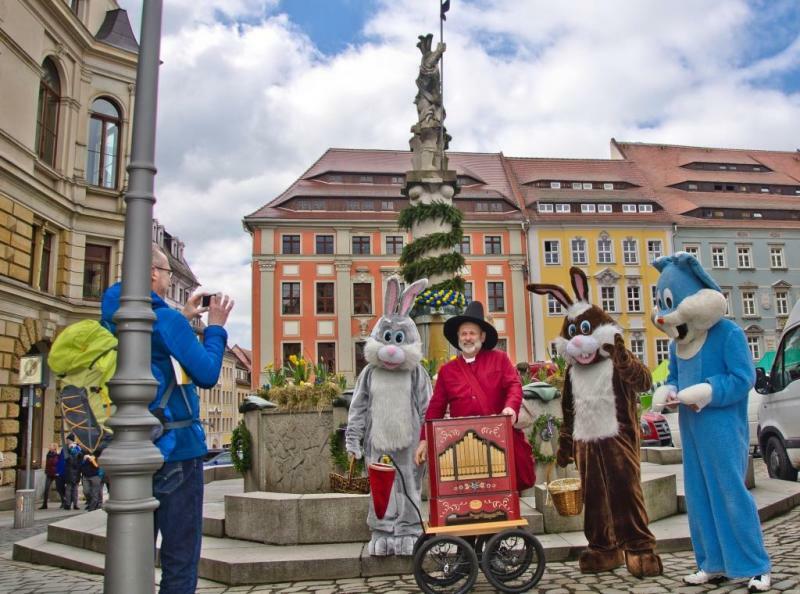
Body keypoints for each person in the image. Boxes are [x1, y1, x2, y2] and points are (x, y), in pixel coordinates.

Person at [101, 243, 232, 594]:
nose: (167, 280)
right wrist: (215, 328)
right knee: (180, 556)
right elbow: (206, 373)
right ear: (153, 273)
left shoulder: (115, 311)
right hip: (175, 448)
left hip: (130, 446)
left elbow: (152, 349)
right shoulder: (166, 320)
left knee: (132, 551)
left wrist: (184, 316)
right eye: (167, 274)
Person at [414, 301, 535, 491]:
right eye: (464, 333)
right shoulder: (447, 371)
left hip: (498, 443)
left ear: (482, 336)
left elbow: (514, 386)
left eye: (472, 333)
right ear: (458, 338)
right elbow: (435, 407)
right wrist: (424, 439)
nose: (468, 338)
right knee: (468, 493)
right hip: (465, 447)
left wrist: (510, 407)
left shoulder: (500, 359)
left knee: (501, 492)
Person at [62, 436, 82, 510]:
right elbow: (66, 459)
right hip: (70, 471)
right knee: (70, 488)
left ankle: (74, 504)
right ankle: (69, 504)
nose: (67, 441)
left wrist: (74, 449)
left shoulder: (77, 449)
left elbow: (79, 459)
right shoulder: (66, 448)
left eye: (68, 440)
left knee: (74, 489)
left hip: (75, 472)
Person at [40, 442, 59, 509]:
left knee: (59, 488)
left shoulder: (57, 455)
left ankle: (64, 501)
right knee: (46, 489)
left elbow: (56, 464)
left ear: (54, 447)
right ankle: (44, 504)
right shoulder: (48, 454)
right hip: (49, 473)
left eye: (51, 446)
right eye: (49, 445)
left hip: (55, 473)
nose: (49, 447)